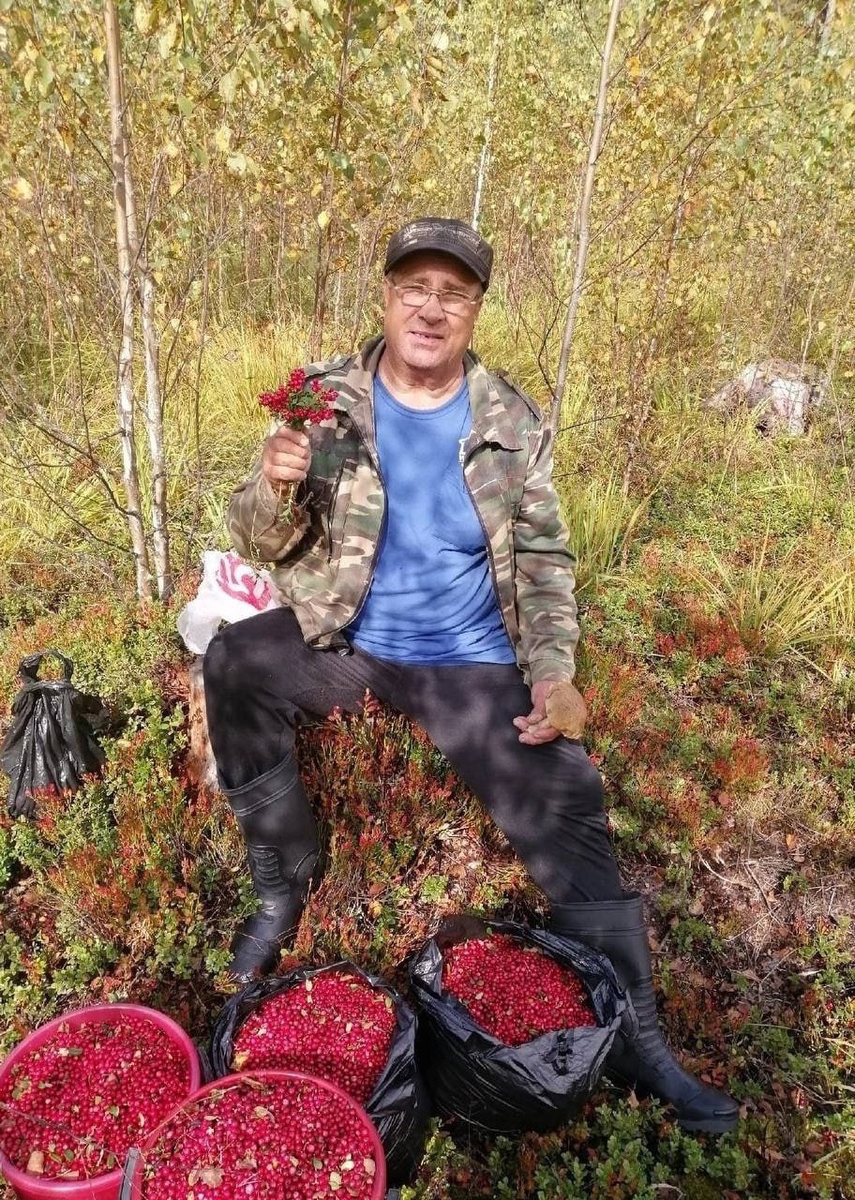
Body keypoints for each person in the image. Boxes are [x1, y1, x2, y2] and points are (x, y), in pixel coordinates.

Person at [203, 216, 739, 1134]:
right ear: (386, 295)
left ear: (475, 311)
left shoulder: (506, 423)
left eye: (454, 293)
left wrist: (556, 674)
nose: (431, 308)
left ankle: (643, 1042)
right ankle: (281, 880)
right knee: (234, 661)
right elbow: (271, 537)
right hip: (352, 640)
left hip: (469, 663)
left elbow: (541, 558)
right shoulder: (334, 409)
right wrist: (271, 481)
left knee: (565, 794)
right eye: (415, 286)